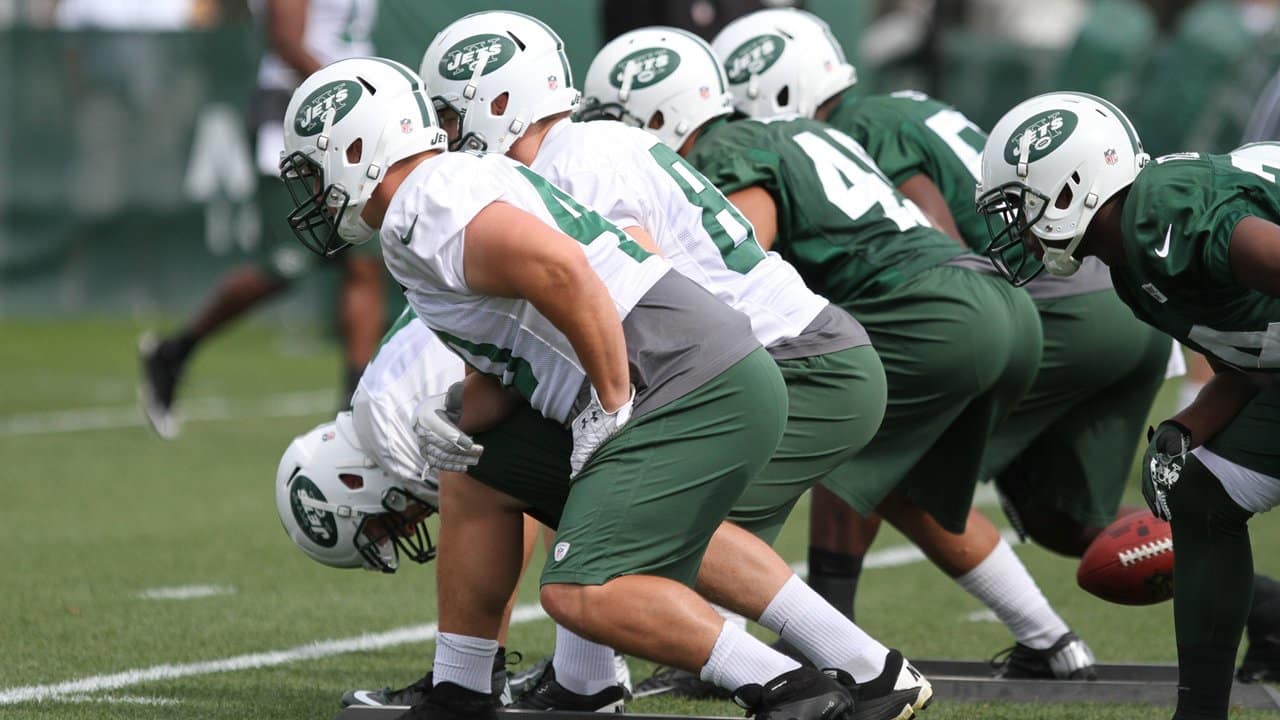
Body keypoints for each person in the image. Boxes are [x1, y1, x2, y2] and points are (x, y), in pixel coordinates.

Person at [279, 56, 861, 720]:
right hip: (678, 363)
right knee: (479, 468)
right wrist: (455, 411)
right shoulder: (439, 194)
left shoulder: (425, 203)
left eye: (315, 167)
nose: (315, 190)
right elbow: (522, 346)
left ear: (356, 147)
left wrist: (610, 405)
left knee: (585, 590)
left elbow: (564, 271)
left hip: (678, 372)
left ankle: (791, 687)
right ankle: (460, 692)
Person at [399, 11, 929, 718]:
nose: (442, 134)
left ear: (497, 102)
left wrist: (609, 402)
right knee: (574, 486)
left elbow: (630, 284)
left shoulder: (571, 160)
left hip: (783, 358)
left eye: (446, 112)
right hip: (769, 355)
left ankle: (841, 674)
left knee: (645, 512)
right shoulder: (580, 149)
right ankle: (577, 684)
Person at [579, 23, 1102, 693]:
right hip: (993, 302)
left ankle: (750, 655)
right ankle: (1054, 642)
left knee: (720, 470)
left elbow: (728, 277)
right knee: (907, 492)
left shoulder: (729, 147)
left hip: (924, 312)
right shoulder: (808, 134)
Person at [709, 8, 1170, 671]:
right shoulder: (894, 109)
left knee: (862, 441)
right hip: (1110, 302)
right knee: (1065, 523)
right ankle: (1251, 608)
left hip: (1033, 302)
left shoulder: (846, 133)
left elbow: (936, 240)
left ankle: (828, 635)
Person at [976, 91, 1280, 719]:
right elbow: (1251, 366)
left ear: (1071, 188)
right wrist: (1180, 431)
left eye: (1021, 205)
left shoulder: (1163, 214)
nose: (1018, 227)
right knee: (1203, 498)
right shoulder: (1132, 265)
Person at [138, 0, 384, 438]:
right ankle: (175, 350)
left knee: (364, 263)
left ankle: (353, 411)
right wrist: (352, 94)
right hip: (299, 115)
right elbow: (287, 40)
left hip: (351, 123)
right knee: (283, 266)